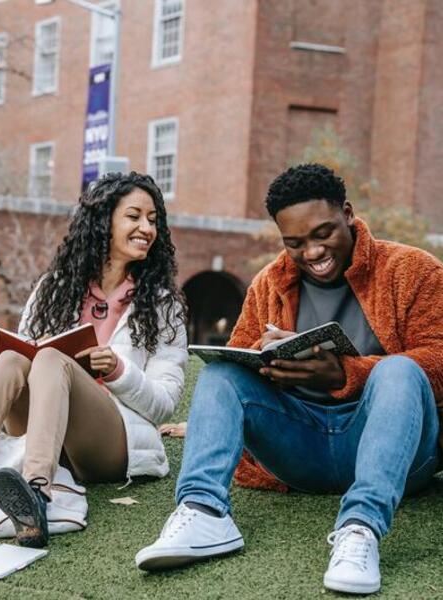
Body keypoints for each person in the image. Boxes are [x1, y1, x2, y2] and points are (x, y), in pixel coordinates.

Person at [136, 163, 443, 595]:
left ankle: (361, 529)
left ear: (349, 214)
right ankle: (203, 512)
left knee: (400, 369)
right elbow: (240, 361)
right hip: (303, 450)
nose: (313, 252)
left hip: (395, 453)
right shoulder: (269, 283)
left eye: (323, 234)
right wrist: (220, 417)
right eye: (295, 243)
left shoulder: (413, 270)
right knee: (222, 371)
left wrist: (346, 373)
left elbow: (439, 359)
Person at [0, 171, 188, 548]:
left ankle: (36, 494)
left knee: (50, 361)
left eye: (153, 219)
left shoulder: (162, 304)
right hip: (41, 432)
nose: (146, 227)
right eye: (134, 216)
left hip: (111, 443)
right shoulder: (55, 288)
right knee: (15, 358)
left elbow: (163, 404)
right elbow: (23, 360)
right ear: (103, 222)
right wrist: (33, 348)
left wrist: (117, 370)